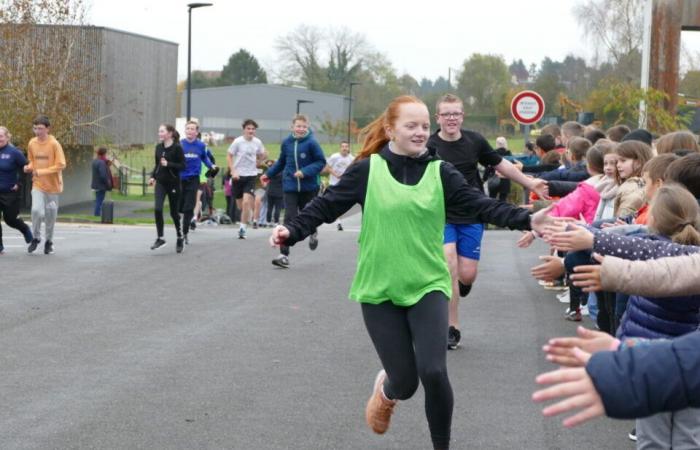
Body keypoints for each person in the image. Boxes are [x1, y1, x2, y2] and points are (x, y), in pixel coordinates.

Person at [269, 95, 557, 450]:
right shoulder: (367, 170)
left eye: (424, 126)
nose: (421, 132)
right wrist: (292, 231)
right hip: (380, 286)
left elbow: (480, 205)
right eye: (412, 126)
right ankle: (387, 391)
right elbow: (327, 205)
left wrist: (526, 218)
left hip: (429, 283)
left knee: (434, 372)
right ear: (391, 129)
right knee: (405, 383)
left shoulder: (441, 172)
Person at [426, 94, 548, 349]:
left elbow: (502, 166)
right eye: (446, 114)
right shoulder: (429, 145)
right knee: (448, 264)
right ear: (437, 117)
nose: (451, 118)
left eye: (456, 113)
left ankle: (463, 283)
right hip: (439, 214)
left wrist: (529, 183)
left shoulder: (474, 141)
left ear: (462, 116)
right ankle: (452, 326)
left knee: (467, 274)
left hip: (472, 212)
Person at [263, 114, 326, 268]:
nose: (301, 129)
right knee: (289, 219)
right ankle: (283, 255)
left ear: (307, 127)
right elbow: (281, 162)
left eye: (304, 127)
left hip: (308, 187)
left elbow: (321, 162)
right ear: (292, 127)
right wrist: (268, 174)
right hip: (290, 186)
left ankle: (313, 231)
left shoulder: (312, 143)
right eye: (298, 126)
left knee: (309, 217)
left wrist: (305, 171)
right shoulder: (286, 143)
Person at [25, 115, 66, 255]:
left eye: (40, 129)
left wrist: (41, 171)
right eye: (35, 128)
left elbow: (61, 165)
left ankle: (49, 242)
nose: (37, 131)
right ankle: (36, 237)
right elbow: (31, 160)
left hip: (53, 187)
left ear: (47, 129)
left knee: (50, 217)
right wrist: (29, 167)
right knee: (36, 210)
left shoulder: (54, 144)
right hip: (38, 185)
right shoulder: (32, 143)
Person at [148, 124, 186, 253]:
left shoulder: (177, 148)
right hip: (161, 183)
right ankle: (160, 237)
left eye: (162, 131)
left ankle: (180, 237)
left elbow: (183, 166)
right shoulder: (158, 148)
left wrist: (168, 164)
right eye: (159, 131)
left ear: (169, 134)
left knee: (174, 213)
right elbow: (157, 165)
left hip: (174, 183)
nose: (159, 133)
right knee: (158, 208)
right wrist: (153, 176)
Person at [227, 119, 267, 239]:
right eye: (248, 128)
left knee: (246, 202)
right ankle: (246, 216)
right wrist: (233, 170)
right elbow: (229, 155)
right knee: (240, 205)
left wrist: (260, 160)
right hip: (238, 176)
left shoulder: (257, 142)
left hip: (251, 175)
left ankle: (242, 228)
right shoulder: (238, 142)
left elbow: (262, 154)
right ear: (244, 129)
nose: (251, 131)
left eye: (253, 129)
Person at [180, 120, 216, 243]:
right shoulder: (180, 145)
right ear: (185, 131)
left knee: (189, 206)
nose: (190, 131)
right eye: (188, 128)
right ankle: (182, 222)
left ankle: (184, 233)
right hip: (180, 179)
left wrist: (211, 166)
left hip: (194, 179)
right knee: (180, 206)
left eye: (192, 129)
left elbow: (205, 158)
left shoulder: (201, 146)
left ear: (196, 132)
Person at [0, 126, 33, 253]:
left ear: (7, 137)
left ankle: (25, 229)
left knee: (10, 220)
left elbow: (26, 169)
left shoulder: (15, 153)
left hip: (10, 193)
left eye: (1, 136)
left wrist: (19, 183)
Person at [325, 141, 355, 230]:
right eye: (343, 146)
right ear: (340, 148)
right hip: (334, 183)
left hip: (345, 184)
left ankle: (338, 220)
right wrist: (336, 175)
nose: (345, 148)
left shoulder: (352, 158)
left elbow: (353, 170)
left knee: (341, 203)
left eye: (346, 146)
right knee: (334, 202)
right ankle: (338, 221)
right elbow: (328, 167)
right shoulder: (335, 157)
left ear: (349, 148)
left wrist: (346, 176)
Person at [91, 147, 112, 217]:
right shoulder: (101, 163)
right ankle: (97, 215)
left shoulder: (95, 161)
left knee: (98, 200)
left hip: (95, 184)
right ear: (104, 154)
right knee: (99, 201)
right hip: (101, 185)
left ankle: (97, 214)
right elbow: (103, 175)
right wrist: (108, 183)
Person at [262, 159, 283, 226]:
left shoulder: (271, 171)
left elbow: (265, 178)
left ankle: (268, 221)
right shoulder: (282, 172)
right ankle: (276, 222)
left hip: (270, 191)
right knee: (277, 208)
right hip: (279, 192)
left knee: (269, 207)